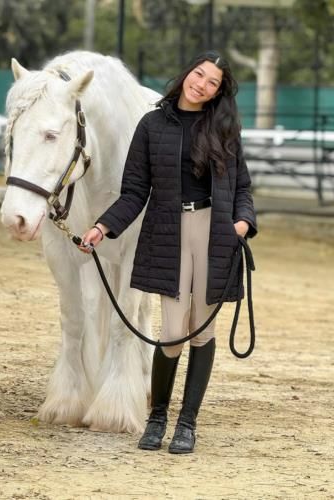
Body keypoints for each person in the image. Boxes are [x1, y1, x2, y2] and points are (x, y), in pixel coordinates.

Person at [79, 51, 257, 454]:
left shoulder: (224, 129)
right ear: (186, 74)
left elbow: (243, 187)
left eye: (213, 83)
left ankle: (187, 424)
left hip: (215, 233)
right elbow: (134, 192)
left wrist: (242, 223)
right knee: (174, 332)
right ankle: (157, 416)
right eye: (199, 75)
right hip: (168, 232)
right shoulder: (151, 125)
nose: (203, 85)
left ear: (217, 92)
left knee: (203, 329)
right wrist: (101, 227)